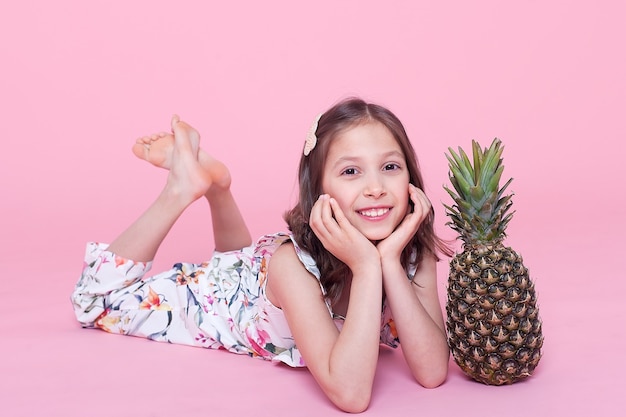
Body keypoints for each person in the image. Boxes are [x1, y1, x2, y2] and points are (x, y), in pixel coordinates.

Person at [71, 97, 452, 413]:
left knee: (236, 264)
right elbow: (351, 395)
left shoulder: (408, 251)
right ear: (318, 189)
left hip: (250, 284)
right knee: (94, 303)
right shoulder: (294, 266)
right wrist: (367, 266)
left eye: (390, 167)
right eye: (351, 171)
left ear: (411, 180)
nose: (375, 188)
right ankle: (181, 189)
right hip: (219, 301)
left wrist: (387, 260)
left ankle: (218, 188)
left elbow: (433, 370)